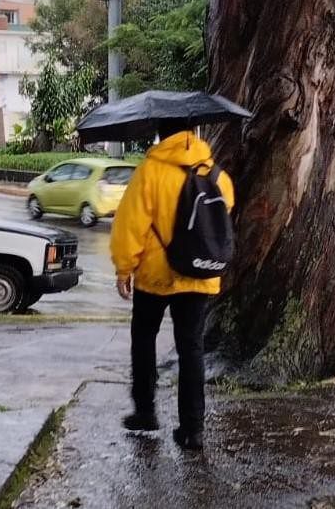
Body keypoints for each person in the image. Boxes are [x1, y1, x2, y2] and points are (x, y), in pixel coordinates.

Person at [110, 121, 235, 451]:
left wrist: (125, 269)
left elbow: (129, 224)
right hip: (200, 274)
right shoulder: (216, 173)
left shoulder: (150, 171)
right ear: (192, 132)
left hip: (156, 275)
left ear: (160, 135)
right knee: (191, 347)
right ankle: (193, 429)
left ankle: (145, 411)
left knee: (144, 337)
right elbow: (225, 213)